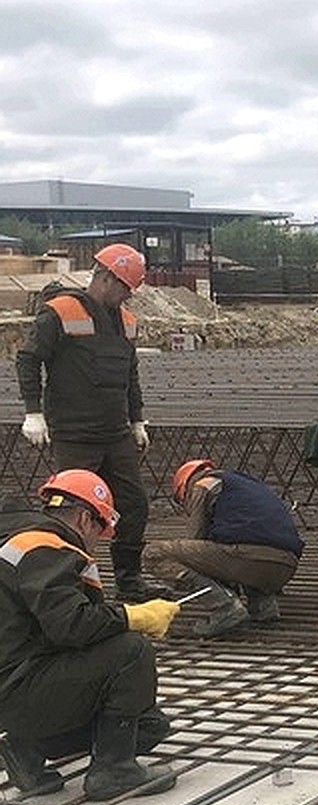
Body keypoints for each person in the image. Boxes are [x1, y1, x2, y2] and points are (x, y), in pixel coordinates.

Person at [0, 470, 179, 802]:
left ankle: (27, 748)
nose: (99, 542)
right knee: (132, 650)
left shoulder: (15, 543)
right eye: (101, 530)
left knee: (149, 725)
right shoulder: (44, 546)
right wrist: (133, 615)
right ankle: (113, 772)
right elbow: (71, 625)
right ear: (85, 518)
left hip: (15, 684)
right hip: (19, 687)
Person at [15, 243, 172, 603]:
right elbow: (28, 358)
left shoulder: (126, 322)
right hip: (74, 434)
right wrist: (32, 412)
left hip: (114, 433)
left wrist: (137, 420)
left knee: (133, 504)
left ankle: (129, 581)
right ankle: (66, 582)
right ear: (104, 277)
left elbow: (130, 374)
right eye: (124, 288)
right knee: (72, 511)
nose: (127, 296)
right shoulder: (60, 312)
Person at [144, 460, 305, 637]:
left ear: (183, 487)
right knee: (237, 538)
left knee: (155, 553)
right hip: (285, 567)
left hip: (247, 559)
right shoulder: (246, 484)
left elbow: (196, 539)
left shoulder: (202, 484)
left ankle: (226, 607)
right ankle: (263, 605)